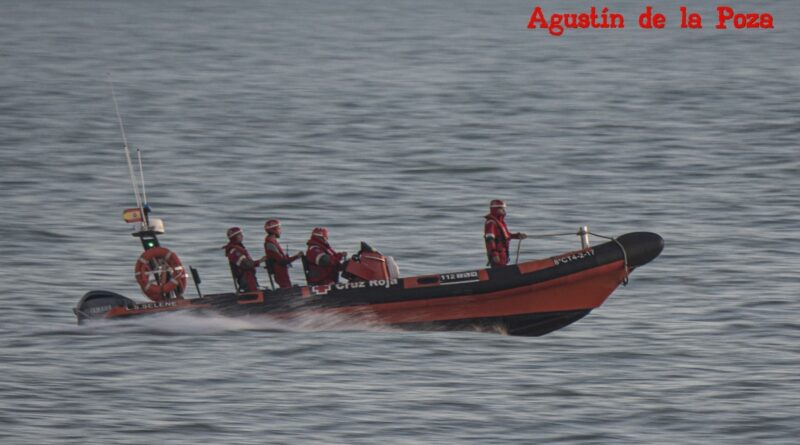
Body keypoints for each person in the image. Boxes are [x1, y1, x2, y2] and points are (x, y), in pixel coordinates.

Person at [484, 199, 527, 268]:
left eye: (503, 208)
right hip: (497, 255)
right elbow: (490, 239)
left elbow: (506, 235)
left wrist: (517, 236)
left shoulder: (500, 222)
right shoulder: (491, 223)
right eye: (501, 209)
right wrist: (494, 254)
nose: (504, 211)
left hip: (503, 255)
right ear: (495, 209)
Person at [262, 219, 302, 289]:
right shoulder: (270, 243)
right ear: (274, 230)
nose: (280, 231)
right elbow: (282, 261)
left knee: (287, 287)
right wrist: (297, 256)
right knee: (286, 288)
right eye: (279, 229)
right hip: (279, 272)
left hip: (282, 271)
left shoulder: (272, 242)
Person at [223, 227, 261, 293]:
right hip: (246, 279)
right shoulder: (234, 251)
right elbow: (246, 264)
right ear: (234, 237)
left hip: (250, 278)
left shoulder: (238, 249)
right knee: (252, 294)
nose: (242, 236)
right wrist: (259, 261)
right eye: (239, 235)